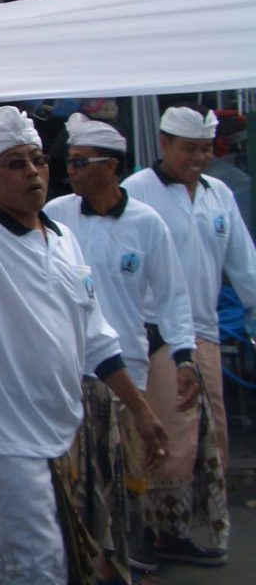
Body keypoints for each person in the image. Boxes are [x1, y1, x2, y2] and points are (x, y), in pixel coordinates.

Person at [0, 84, 166, 585]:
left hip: (63, 431)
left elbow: (96, 337)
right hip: (5, 440)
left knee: (18, 565)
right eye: (14, 163)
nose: (32, 171)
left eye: (37, 159)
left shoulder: (64, 238)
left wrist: (140, 409)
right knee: (35, 567)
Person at [46, 113, 197, 580]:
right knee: (74, 472)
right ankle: (77, 559)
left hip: (126, 365)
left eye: (80, 162)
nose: (69, 171)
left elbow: (172, 295)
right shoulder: (56, 215)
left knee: (124, 467)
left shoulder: (146, 223)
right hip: (68, 365)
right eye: (69, 161)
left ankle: (123, 557)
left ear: (110, 166)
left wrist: (184, 355)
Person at [122, 105, 256, 566]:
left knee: (208, 436)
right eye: (189, 149)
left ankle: (181, 530)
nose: (199, 158)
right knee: (163, 436)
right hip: (153, 333)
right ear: (165, 144)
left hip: (204, 331)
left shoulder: (219, 194)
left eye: (205, 149)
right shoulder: (137, 192)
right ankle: (148, 529)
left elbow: (244, 263)